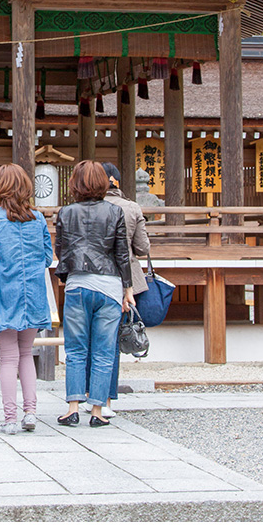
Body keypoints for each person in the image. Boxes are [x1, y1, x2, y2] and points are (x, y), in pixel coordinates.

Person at [55, 159, 133, 428]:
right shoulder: (115, 212)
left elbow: (61, 251)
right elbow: (122, 253)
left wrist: (66, 277)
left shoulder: (66, 213)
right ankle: (98, 410)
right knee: (103, 351)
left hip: (78, 285)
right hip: (109, 286)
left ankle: (72, 407)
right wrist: (128, 289)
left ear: (75, 183)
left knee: (75, 349)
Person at [0, 163, 54, 435]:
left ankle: (10, 419)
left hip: (5, 293)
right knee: (26, 354)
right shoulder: (38, 219)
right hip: (33, 293)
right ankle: (31, 412)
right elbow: (47, 258)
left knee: (8, 357)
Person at [83, 162, 151, 418]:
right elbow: (143, 247)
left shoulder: (89, 208)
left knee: (89, 339)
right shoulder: (131, 208)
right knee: (112, 340)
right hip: (124, 282)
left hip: (91, 276)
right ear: (116, 180)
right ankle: (107, 399)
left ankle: (89, 395)